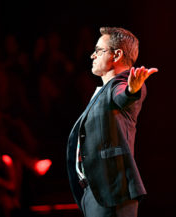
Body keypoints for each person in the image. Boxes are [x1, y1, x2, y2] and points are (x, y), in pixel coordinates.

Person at [66, 27, 158, 217]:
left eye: (99, 50)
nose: (92, 55)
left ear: (116, 55)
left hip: (113, 191)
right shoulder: (103, 90)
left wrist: (132, 90)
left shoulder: (121, 83)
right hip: (96, 192)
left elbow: (124, 96)